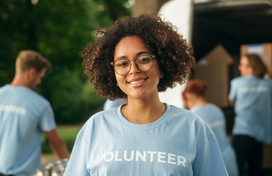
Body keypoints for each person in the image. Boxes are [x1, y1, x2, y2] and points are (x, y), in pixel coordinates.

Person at [63, 13, 228, 176]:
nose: (133, 70)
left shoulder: (193, 127)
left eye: (143, 59)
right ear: (112, 72)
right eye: (122, 63)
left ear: (162, 66)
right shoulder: (95, 127)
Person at [0, 50, 69, 176]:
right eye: (40, 77)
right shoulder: (40, 105)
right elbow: (56, 142)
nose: (39, 82)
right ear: (31, 73)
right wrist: (70, 169)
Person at [182, 79, 238, 176]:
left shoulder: (192, 117)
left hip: (213, 166)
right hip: (229, 160)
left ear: (188, 95)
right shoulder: (217, 110)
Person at [228, 54, 272, 176]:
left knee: (239, 169)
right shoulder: (268, 84)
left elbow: (232, 103)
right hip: (260, 135)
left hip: (241, 133)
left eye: (242, 65)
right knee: (256, 170)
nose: (239, 67)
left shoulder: (236, 83)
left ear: (251, 68)